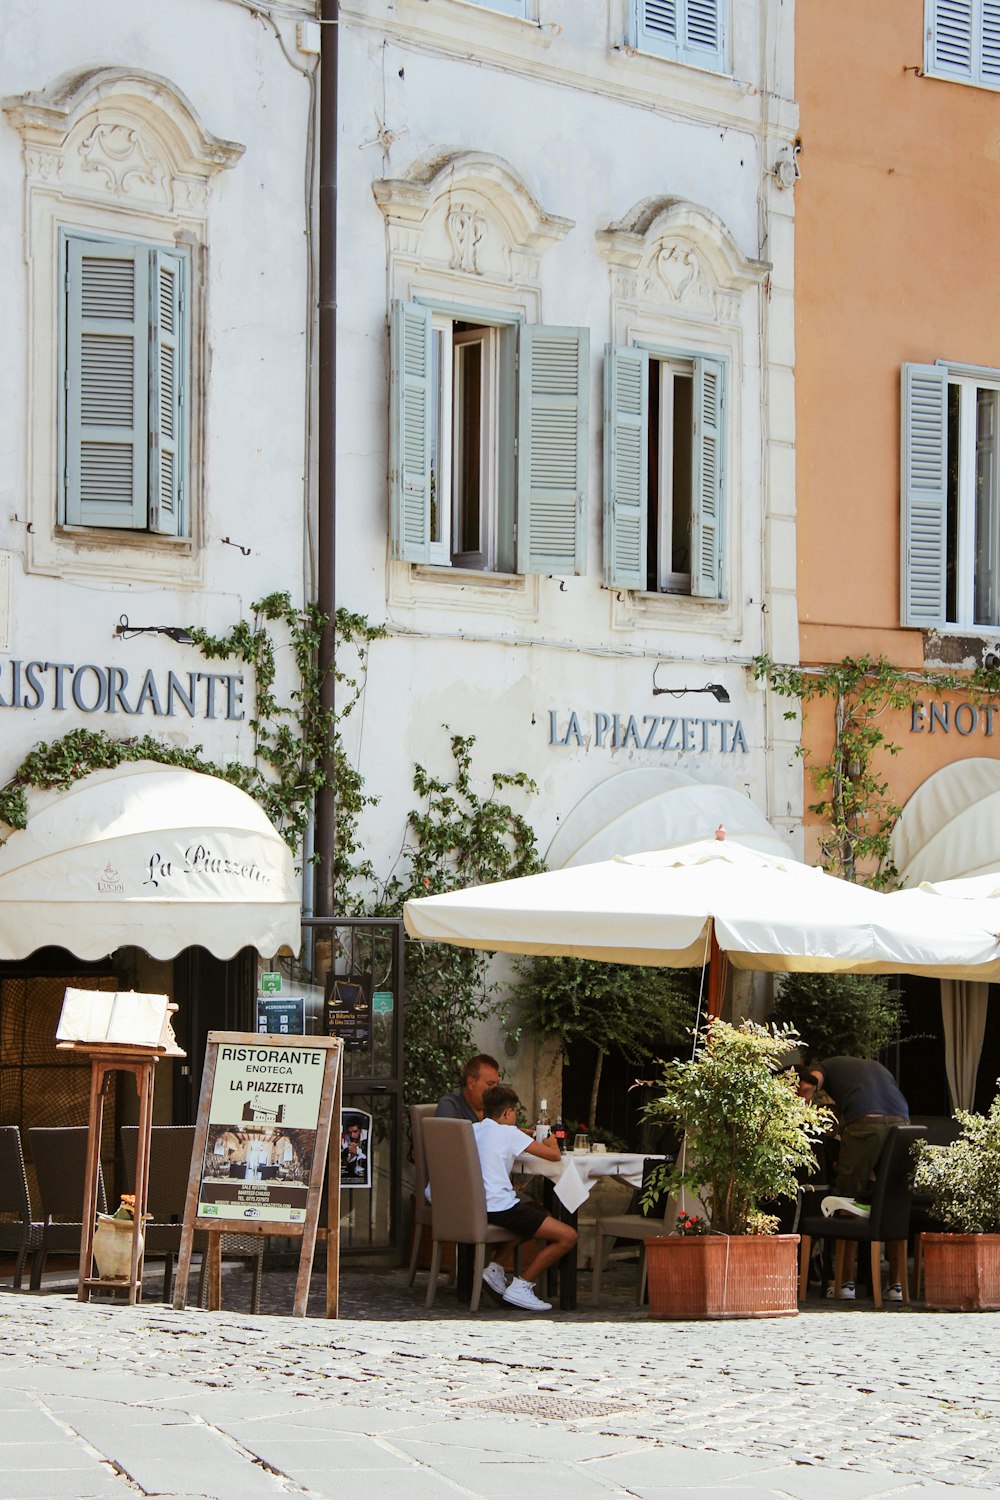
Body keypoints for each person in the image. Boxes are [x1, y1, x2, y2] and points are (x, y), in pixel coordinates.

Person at [796, 1057, 909, 1302]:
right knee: (892, 1201)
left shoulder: (824, 1068)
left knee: (847, 1200)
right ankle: (896, 1285)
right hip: (903, 1124)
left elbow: (810, 1082)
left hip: (866, 1125)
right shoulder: (873, 1068)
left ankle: (844, 1283)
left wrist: (800, 1102)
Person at [473, 1084, 577, 1312]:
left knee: (536, 1212)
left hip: (476, 1207)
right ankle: (522, 1285)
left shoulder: (473, 1129)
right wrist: (549, 1139)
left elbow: (502, 1136)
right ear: (508, 1113)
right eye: (515, 1114)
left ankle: (495, 1268)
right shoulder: (509, 1133)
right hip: (501, 1209)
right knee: (568, 1236)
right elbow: (554, 1155)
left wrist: (524, 1132)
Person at [436, 1054, 500, 1123]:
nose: (495, 1089)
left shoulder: (496, 1109)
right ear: (471, 1083)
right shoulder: (450, 1106)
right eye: (490, 1084)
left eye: (497, 1084)